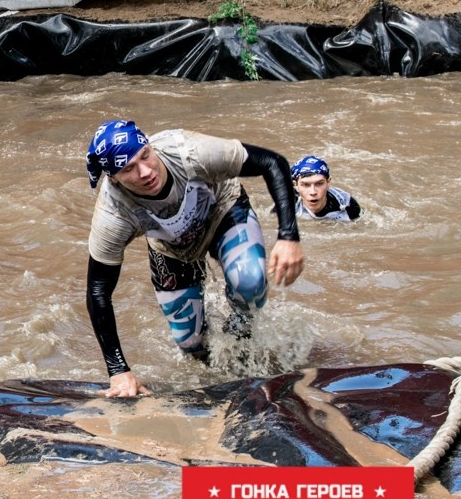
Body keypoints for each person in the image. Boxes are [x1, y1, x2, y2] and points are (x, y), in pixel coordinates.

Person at [82, 120, 306, 398]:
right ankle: (217, 383)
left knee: (249, 280)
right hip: (171, 247)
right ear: (113, 178)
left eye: (145, 156)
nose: (146, 171)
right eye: (128, 169)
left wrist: (288, 237)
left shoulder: (189, 152)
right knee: (190, 343)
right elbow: (98, 291)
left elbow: (273, 162)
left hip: (223, 211)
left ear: (150, 145)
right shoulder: (114, 213)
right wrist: (118, 371)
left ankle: (241, 338)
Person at [291, 156, 361, 222]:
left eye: (319, 184)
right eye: (306, 185)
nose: (313, 192)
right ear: (296, 185)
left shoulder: (348, 206)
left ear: (328, 183)